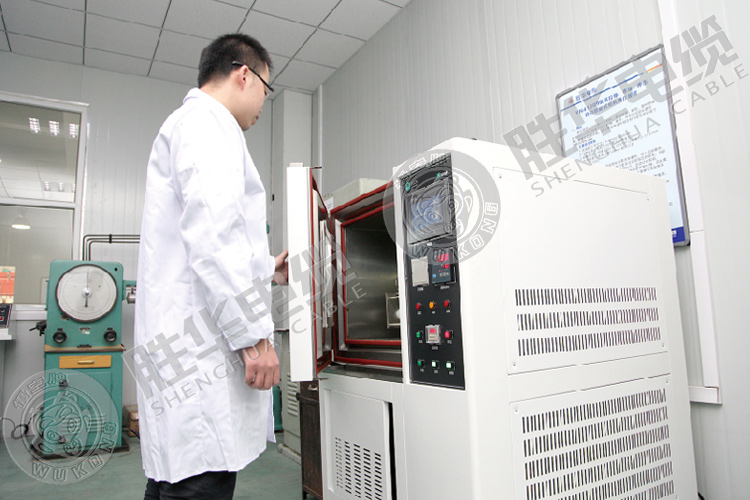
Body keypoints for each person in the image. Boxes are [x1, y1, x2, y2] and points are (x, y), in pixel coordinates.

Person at [134, 33, 287, 500]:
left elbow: (208, 239)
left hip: (185, 350)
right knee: (197, 480)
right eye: (266, 89)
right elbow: (215, 239)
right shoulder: (207, 124)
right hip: (200, 359)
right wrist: (255, 339)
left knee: (173, 480)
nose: (263, 104)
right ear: (244, 75)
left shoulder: (193, 125)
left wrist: (267, 267)